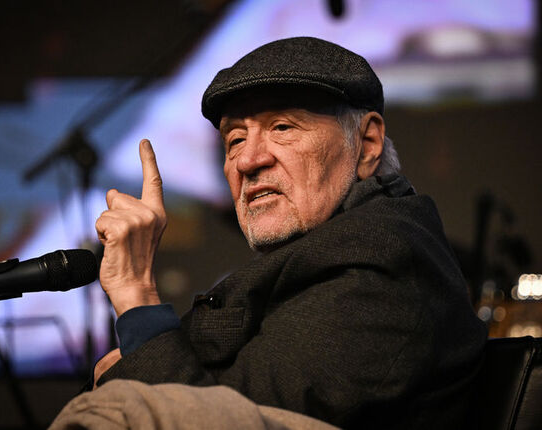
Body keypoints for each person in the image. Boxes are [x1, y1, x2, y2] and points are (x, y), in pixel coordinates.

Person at [90, 37, 487, 429]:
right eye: (235, 139)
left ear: (367, 144)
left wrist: (135, 294)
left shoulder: (381, 271)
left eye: (282, 127)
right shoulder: (326, 262)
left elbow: (219, 423)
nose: (248, 160)